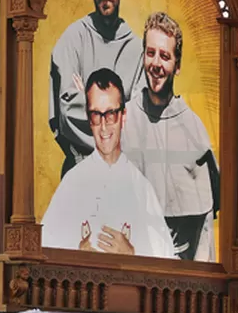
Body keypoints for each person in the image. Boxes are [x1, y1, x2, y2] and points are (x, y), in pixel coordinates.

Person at [41, 68, 177, 259]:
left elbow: (166, 260)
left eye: (111, 114)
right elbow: (44, 248)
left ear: (123, 116)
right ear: (89, 120)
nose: (104, 126)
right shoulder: (73, 182)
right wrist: (77, 253)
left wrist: (132, 254)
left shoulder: (142, 188)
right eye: (96, 115)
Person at [121, 12, 219, 262]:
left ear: (177, 65)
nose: (156, 63)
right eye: (150, 53)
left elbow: (204, 229)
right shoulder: (123, 120)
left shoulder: (194, 131)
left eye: (165, 56)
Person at [50, 0, 145, 177]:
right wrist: (118, 111)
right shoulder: (72, 40)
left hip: (124, 177)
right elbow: (68, 112)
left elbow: (139, 123)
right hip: (80, 174)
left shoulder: (137, 51)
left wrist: (88, 102)